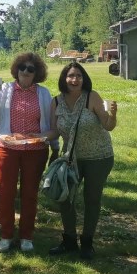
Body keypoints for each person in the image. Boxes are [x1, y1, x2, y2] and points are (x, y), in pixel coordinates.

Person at [0, 52, 57, 251]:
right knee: (5, 192)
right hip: (6, 148)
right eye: (22, 67)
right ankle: (6, 235)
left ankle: (26, 236)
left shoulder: (43, 93)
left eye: (30, 69)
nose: (25, 71)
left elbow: (50, 124)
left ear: (36, 73)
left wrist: (54, 147)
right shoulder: (4, 89)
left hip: (35, 149)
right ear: (16, 70)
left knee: (30, 193)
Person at [47, 62, 116, 260]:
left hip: (98, 157)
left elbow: (108, 125)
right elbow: (54, 131)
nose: (74, 79)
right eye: (70, 75)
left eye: (78, 76)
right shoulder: (56, 101)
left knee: (91, 199)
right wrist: (36, 137)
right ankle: (69, 240)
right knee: (65, 198)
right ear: (64, 78)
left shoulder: (91, 97)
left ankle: (87, 243)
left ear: (84, 79)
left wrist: (113, 115)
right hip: (71, 159)